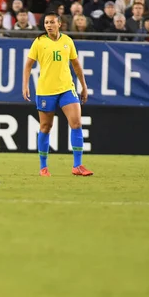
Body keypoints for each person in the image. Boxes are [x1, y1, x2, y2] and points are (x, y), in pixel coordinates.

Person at [22, 12, 93, 177]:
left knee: (76, 123)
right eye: (46, 22)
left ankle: (78, 165)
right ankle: (43, 167)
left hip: (67, 88)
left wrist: (84, 86)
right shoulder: (39, 42)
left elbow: (76, 65)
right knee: (46, 127)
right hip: (46, 91)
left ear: (59, 24)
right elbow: (28, 66)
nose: (48, 25)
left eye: (52, 22)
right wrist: (25, 85)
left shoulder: (67, 41)